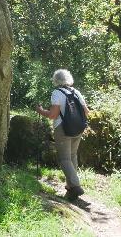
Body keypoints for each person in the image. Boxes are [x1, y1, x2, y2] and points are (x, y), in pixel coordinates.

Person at [36, 68, 89, 200]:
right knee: (72, 156)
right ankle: (71, 188)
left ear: (56, 80)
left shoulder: (57, 93)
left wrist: (41, 111)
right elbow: (86, 111)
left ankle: (75, 186)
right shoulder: (76, 92)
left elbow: (53, 115)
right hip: (78, 128)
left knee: (64, 158)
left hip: (63, 129)